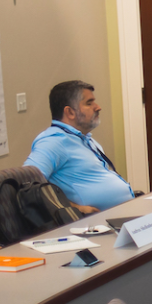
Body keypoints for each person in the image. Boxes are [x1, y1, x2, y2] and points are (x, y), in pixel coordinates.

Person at [25, 81, 134, 212]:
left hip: (120, 216)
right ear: (70, 112)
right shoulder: (54, 142)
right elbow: (27, 186)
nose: (98, 107)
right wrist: (76, 208)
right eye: (89, 103)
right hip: (92, 225)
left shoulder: (83, 139)